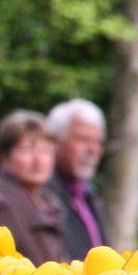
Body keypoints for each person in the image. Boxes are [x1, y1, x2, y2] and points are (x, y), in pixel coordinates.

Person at [0, 109, 65, 265]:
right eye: (27, 149)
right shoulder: (0, 205)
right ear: (4, 157)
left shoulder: (49, 203)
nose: (39, 159)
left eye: (45, 150)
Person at [45, 98, 108, 260]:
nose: (93, 150)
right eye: (83, 139)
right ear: (55, 141)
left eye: (98, 142)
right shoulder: (39, 193)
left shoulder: (87, 192)